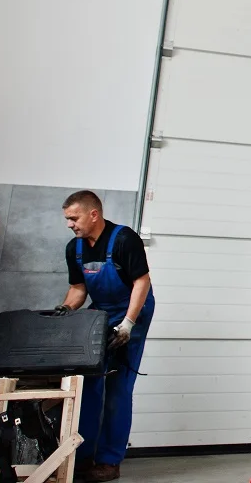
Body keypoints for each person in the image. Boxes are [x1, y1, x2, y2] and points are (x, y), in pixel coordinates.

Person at [57, 190, 154, 482]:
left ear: (93, 214)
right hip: (100, 313)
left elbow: (142, 282)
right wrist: (63, 310)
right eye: (67, 220)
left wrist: (127, 324)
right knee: (89, 385)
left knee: (118, 387)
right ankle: (84, 457)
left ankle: (110, 461)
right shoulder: (74, 249)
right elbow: (78, 289)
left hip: (132, 312)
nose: (70, 224)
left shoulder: (124, 239)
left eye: (74, 218)